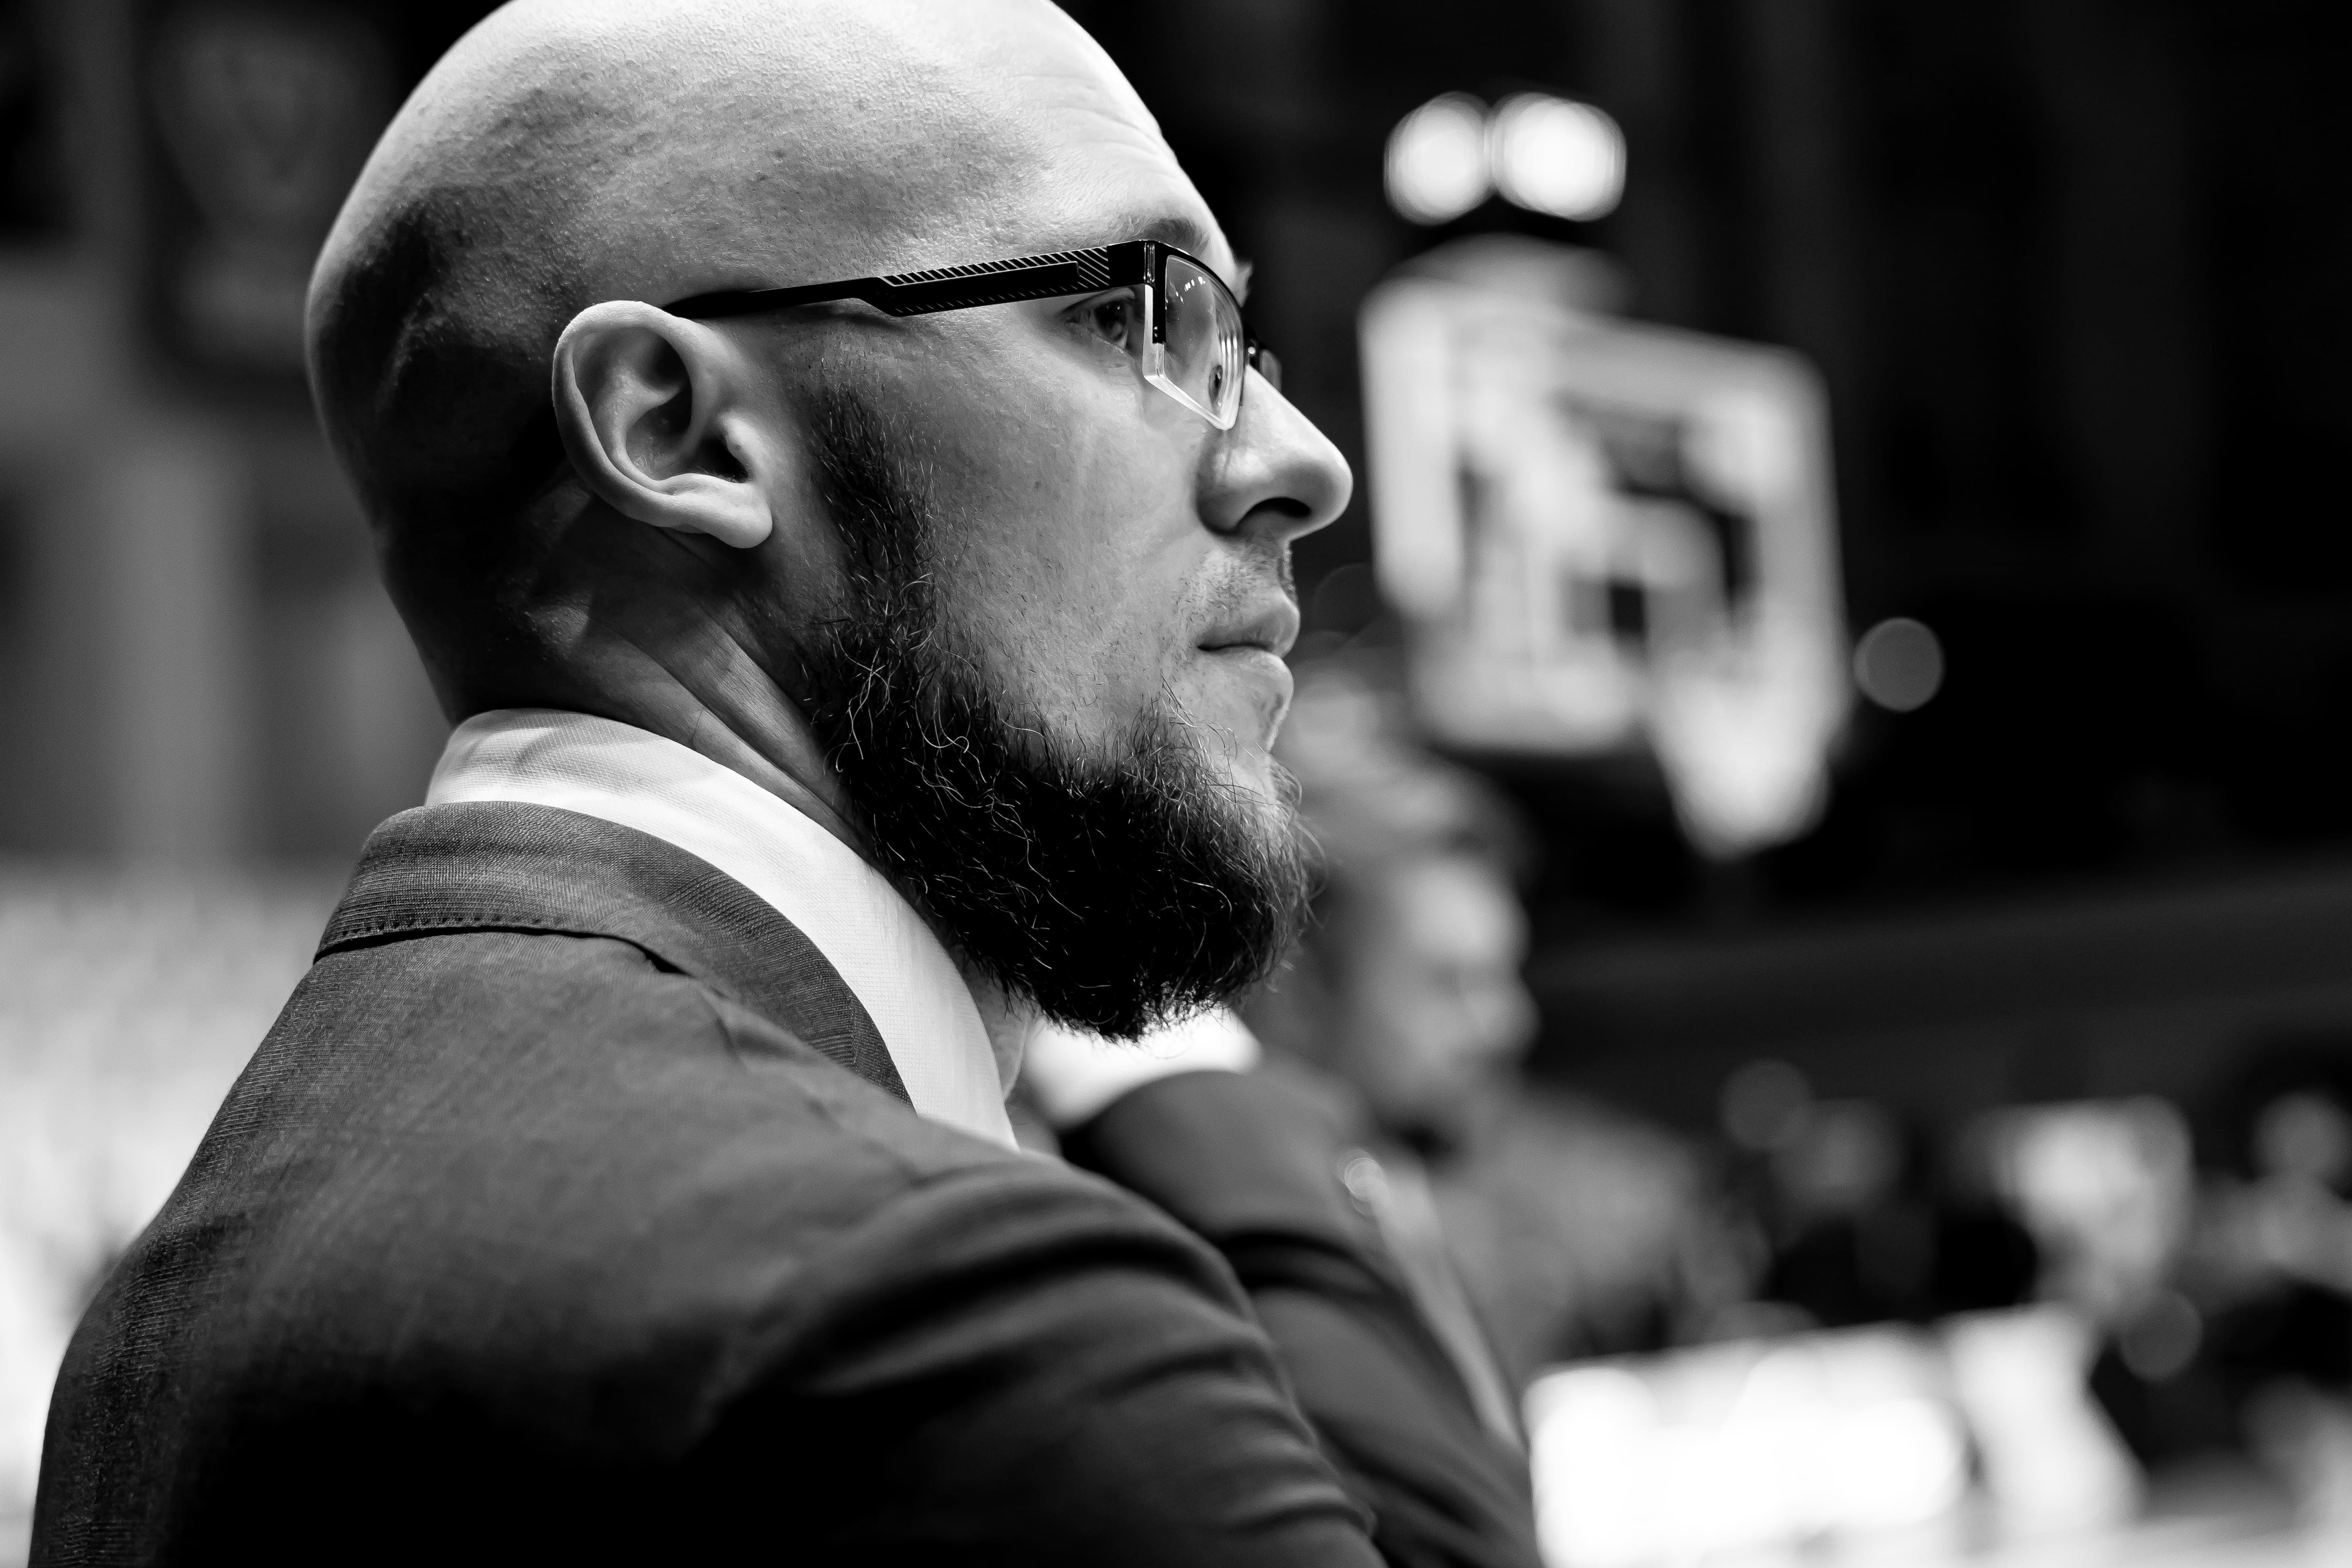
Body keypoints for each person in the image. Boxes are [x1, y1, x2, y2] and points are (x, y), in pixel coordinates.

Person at [31, 3, 1536, 1564]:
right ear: (675, 432)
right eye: (1127, 316)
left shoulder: (181, 1288)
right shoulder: (927, 1307)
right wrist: (1188, 1100)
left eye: (1242, 349)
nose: (1302, 461)